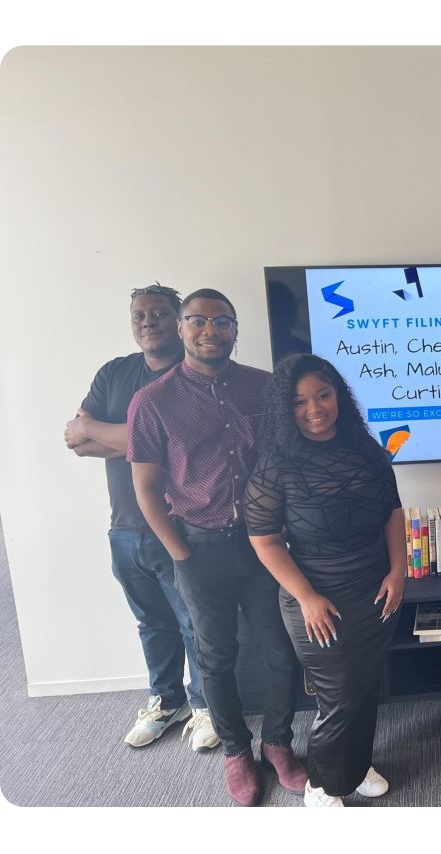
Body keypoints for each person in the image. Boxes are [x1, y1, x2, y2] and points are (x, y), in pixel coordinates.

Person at [128, 288, 304, 806]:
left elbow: (287, 460)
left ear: (234, 329)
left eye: (222, 321)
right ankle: (236, 752)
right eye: (198, 320)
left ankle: (278, 745)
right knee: (216, 657)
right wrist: (180, 555)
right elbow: (146, 489)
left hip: (264, 545)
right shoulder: (152, 402)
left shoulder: (264, 387)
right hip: (199, 548)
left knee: (280, 651)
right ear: (182, 328)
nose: (210, 330)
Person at [246, 354, 406, 807]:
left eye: (323, 395)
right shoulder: (275, 465)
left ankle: (355, 767)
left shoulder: (367, 450)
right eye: (300, 402)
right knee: (338, 697)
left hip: (375, 589)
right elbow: (265, 541)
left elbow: (393, 513)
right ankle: (320, 784)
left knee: (364, 687)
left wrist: (398, 571)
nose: (314, 408)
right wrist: (307, 597)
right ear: (286, 409)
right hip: (316, 597)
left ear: (339, 396)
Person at [64, 284, 218, 751]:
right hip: (125, 527)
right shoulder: (114, 372)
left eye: (159, 313)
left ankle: (206, 706)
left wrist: (99, 429)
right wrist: (138, 437)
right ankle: (167, 701)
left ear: (179, 322)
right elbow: (76, 440)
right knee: (151, 622)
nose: (148, 322)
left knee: (194, 621)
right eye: (139, 315)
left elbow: (179, 441)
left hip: (180, 523)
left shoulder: (194, 375)